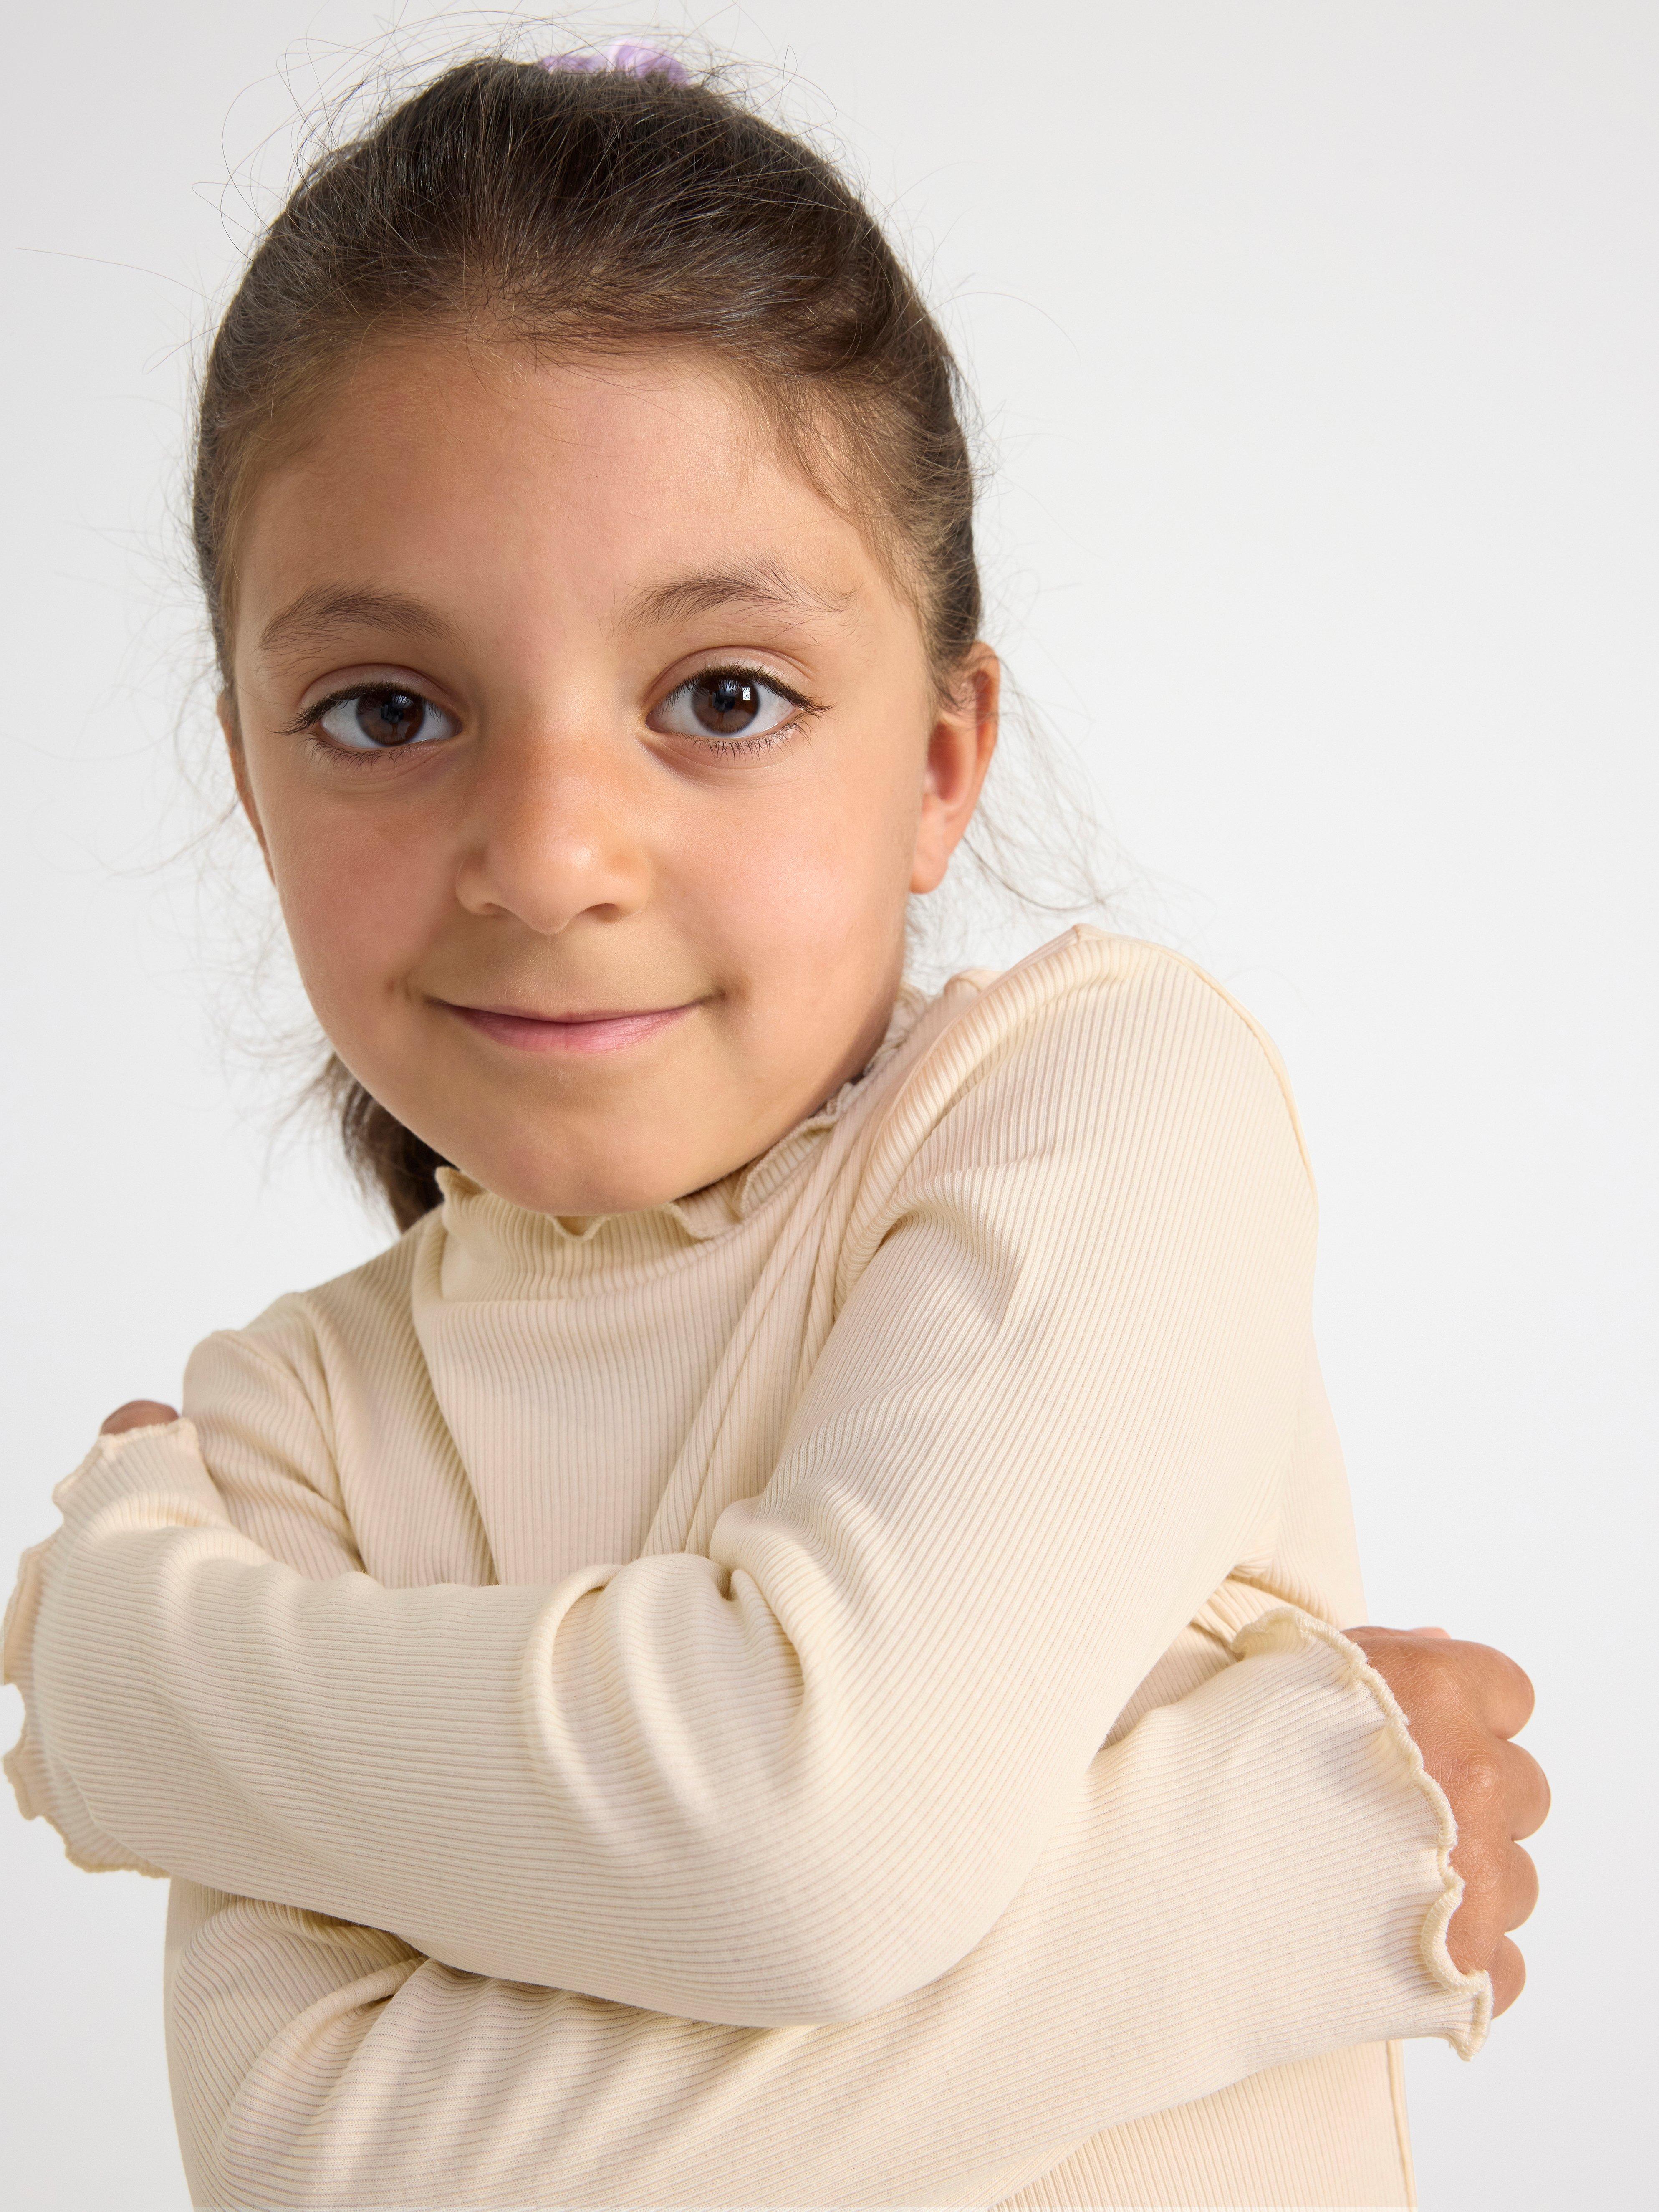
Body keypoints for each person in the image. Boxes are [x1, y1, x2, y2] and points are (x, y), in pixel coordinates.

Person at [0, 41, 1548, 2212]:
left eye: (720, 695)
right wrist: (1238, 1876)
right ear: (254, 778)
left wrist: (131, 1674)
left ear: (936, 760)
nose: (547, 856)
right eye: (385, 709)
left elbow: (803, 1833)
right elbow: (330, 2168)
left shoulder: (1102, 1107)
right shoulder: (277, 1432)